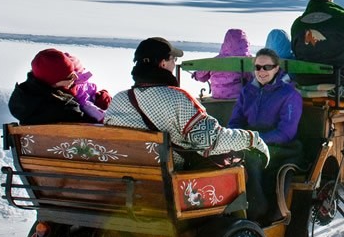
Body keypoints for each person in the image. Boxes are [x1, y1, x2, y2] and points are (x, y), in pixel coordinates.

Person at [104, 36, 270, 177]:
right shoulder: (178, 100)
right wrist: (251, 138)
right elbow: (212, 141)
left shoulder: (119, 100)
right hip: (169, 183)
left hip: (128, 181)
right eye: (173, 60)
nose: (174, 63)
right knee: (242, 165)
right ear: (163, 64)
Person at [228, 49, 304, 221]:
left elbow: (286, 133)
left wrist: (255, 140)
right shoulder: (248, 91)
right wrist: (232, 137)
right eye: (258, 67)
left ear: (276, 68)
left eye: (267, 67)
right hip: (249, 140)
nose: (261, 71)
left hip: (282, 147)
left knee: (251, 158)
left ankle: (257, 208)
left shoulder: (289, 94)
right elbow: (235, 120)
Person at [9, 48, 100, 125]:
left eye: (74, 73)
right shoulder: (65, 107)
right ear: (54, 81)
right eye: (69, 77)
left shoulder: (22, 98)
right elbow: (93, 127)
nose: (75, 77)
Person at [190, 28, 251, 99]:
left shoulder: (215, 61)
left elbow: (202, 76)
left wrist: (196, 75)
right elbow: (251, 78)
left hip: (217, 97)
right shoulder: (246, 61)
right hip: (238, 99)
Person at [66, 52, 112, 122]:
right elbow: (86, 105)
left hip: (95, 100)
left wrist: (100, 95)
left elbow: (86, 103)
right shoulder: (77, 86)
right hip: (93, 104)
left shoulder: (80, 84)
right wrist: (102, 117)